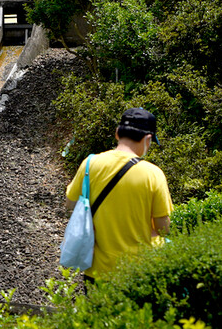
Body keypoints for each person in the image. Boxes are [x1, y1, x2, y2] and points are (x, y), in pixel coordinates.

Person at [65, 108, 173, 281]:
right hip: (138, 272)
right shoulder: (153, 174)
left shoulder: (90, 163)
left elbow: (70, 203)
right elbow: (163, 228)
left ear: (117, 133)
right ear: (148, 139)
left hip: (97, 271)